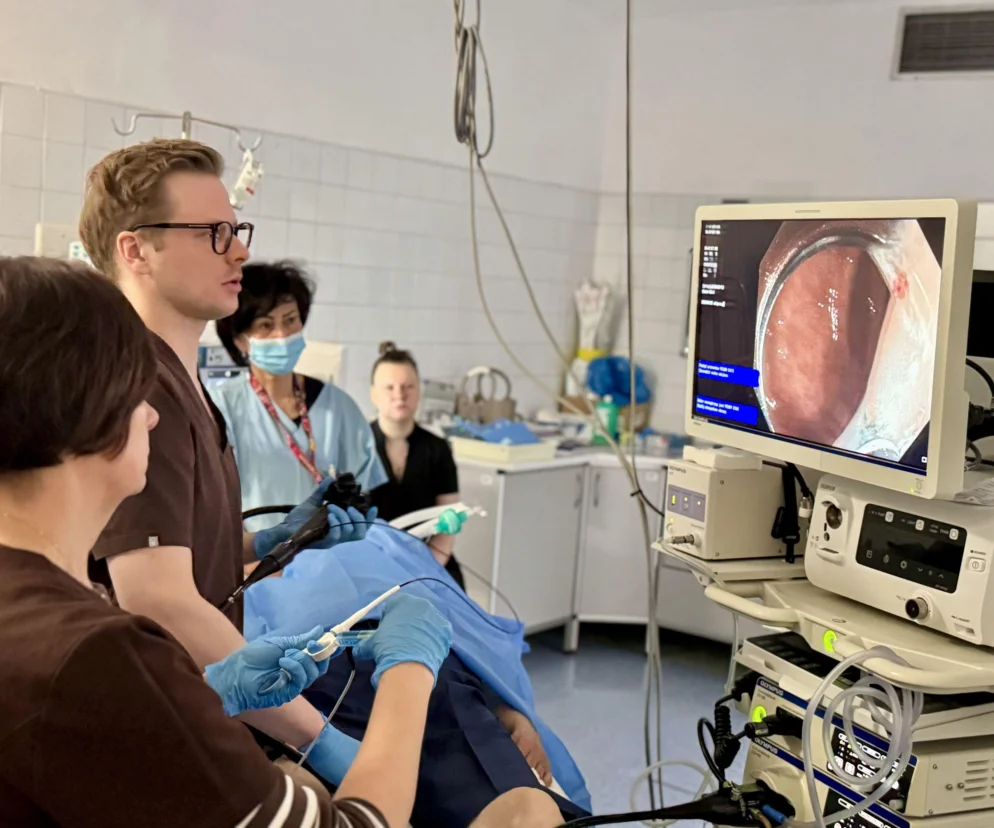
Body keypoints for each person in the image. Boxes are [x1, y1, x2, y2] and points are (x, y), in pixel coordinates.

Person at [0, 256, 454, 827]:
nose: (153, 418)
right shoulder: (95, 651)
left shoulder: (39, 608)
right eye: (136, 393)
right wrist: (409, 671)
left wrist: (207, 694)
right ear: (83, 414)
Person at [76, 138, 389, 788]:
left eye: (237, 230)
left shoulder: (187, 382)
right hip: (158, 722)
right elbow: (155, 596)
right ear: (135, 250)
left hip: (200, 706)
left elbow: (173, 544)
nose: (239, 251)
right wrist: (316, 737)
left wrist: (274, 538)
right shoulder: (138, 386)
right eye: (213, 233)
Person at [212, 260, 387, 531]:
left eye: (290, 320)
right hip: (254, 551)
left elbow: (362, 491)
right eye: (266, 325)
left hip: (330, 549)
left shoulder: (338, 408)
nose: (282, 335)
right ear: (239, 341)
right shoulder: (221, 407)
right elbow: (213, 502)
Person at [369, 343, 465, 588]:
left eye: (408, 386)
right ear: (374, 394)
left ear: (419, 391)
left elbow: (449, 521)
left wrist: (426, 571)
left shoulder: (438, 449)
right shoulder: (356, 446)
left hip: (429, 563)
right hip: (369, 565)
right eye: (389, 387)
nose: (400, 395)